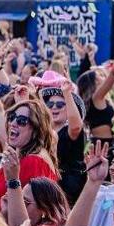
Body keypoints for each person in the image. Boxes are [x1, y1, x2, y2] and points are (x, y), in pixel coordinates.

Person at [38, 75, 86, 204]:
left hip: (67, 189)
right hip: (44, 186)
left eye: (60, 104)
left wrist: (67, 94)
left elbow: (76, 126)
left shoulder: (70, 132)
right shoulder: (42, 132)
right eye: (50, 104)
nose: (54, 107)